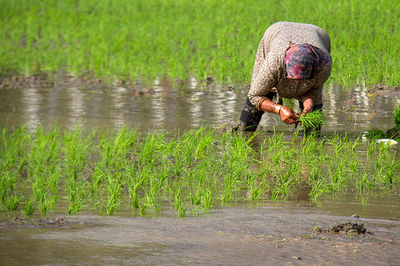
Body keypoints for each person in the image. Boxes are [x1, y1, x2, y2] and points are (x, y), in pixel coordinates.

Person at [237, 22, 332, 131]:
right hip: (277, 31)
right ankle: (244, 132)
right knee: (255, 104)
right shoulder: (274, 62)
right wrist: (279, 109)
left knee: (313, 125)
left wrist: (308, 105)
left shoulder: (323, 66)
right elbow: (254, 96)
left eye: (302, 80)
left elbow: (314, 90)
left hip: (317, 33)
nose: (297, 84)